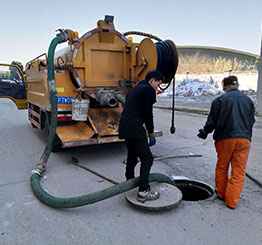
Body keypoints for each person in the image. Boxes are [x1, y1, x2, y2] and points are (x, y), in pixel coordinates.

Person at [197, 75, 255, 209]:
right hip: (244, 139)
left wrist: (205, 131)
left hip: (225, 139)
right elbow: (251, 121)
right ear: (237, 85)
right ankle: (231, 202)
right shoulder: (249, 101)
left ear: (224, 86)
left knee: (222, 166)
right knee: (238, 171)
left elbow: (212, 122)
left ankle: (221, 194)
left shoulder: (220, 100)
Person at [118, 70, 163, 202]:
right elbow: (147, 113)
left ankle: (129, 182)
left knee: (132, 155)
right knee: (147, 158)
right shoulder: (148, 90)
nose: (157, 88)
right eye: (157, 85)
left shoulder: (134, 89)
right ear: (151, 81)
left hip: (125, 127)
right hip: (135, 128)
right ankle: (143, 190)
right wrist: (151, 132)